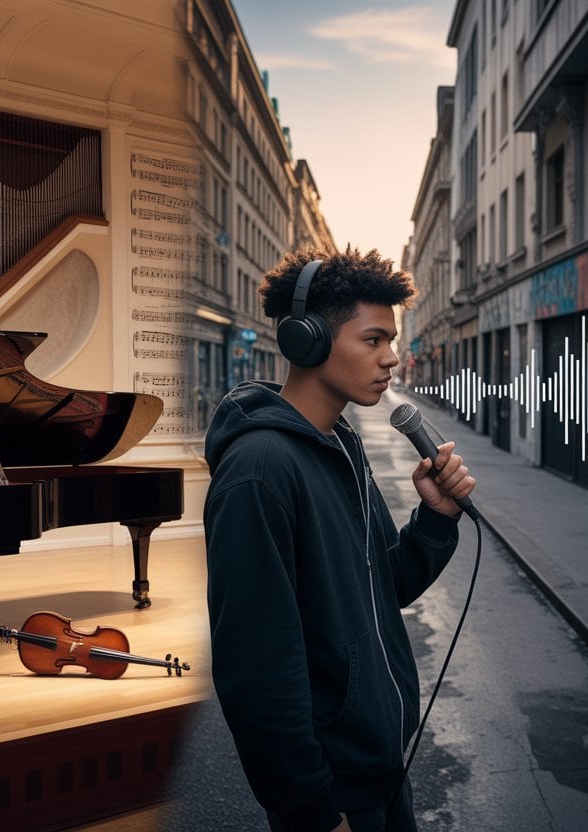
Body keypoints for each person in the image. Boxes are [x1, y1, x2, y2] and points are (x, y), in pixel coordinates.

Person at [202, 246, 476, 832]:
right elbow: (256, 665)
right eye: (373, 340)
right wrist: (311, 808)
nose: (392, 358)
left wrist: (436, 519)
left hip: (381, 768)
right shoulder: (260, 470)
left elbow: (386, 586)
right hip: (332, 797)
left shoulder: (341, 446)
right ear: (309, 341)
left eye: (392, 341)